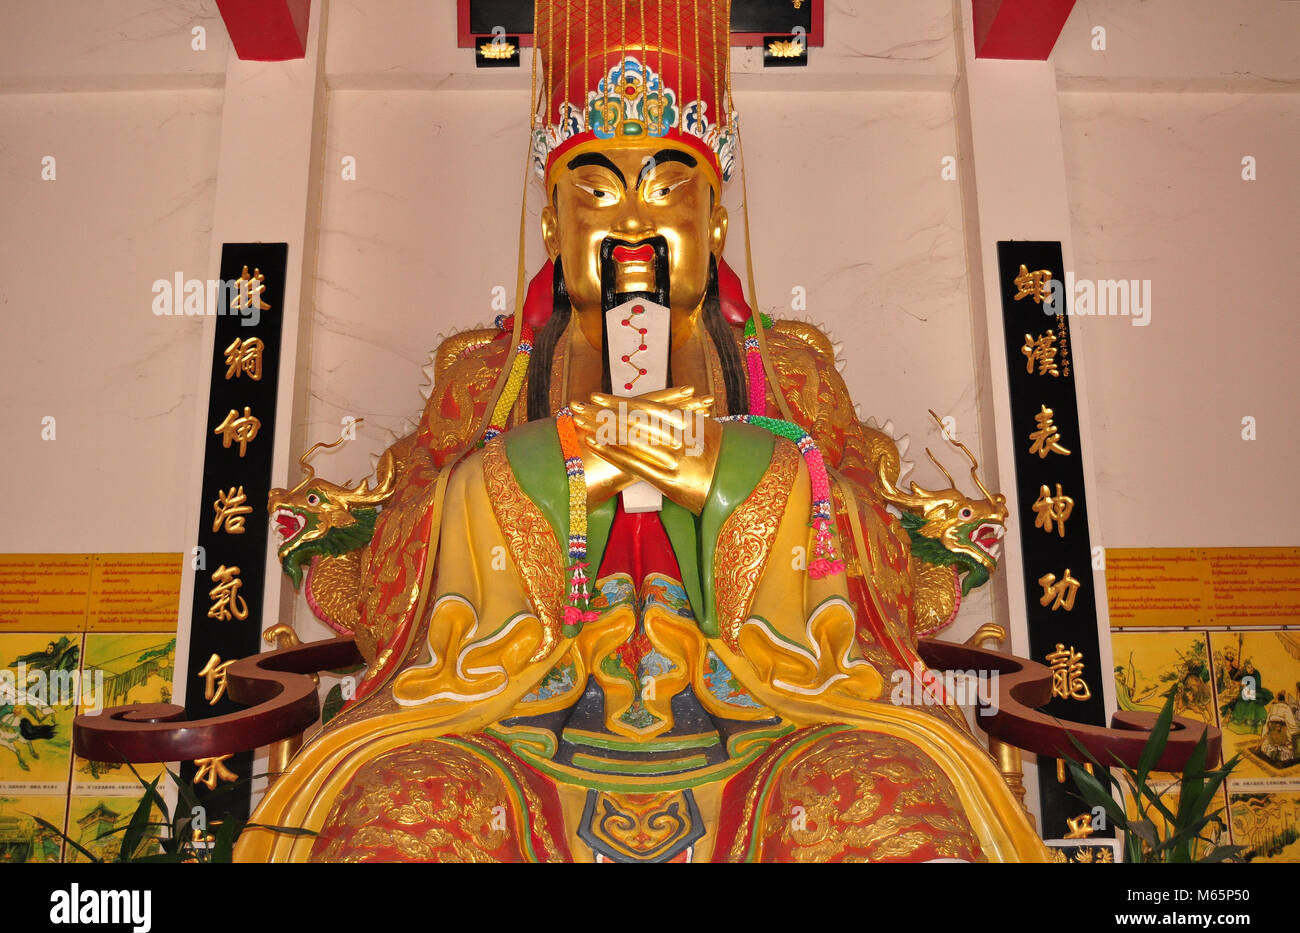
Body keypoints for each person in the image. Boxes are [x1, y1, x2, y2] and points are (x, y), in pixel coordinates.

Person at [235, 0, 1043, 863]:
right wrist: (547, 468)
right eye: (594, 190)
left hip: (773, 716)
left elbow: (879, 559)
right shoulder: (485, 383)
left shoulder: (790, 375)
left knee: (893, 810)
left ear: (716, 222)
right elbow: (394, 564)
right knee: (401, 817)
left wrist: (731, 472)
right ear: (551, 224)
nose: (630, 219)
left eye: (667, 187)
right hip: (511, 715)